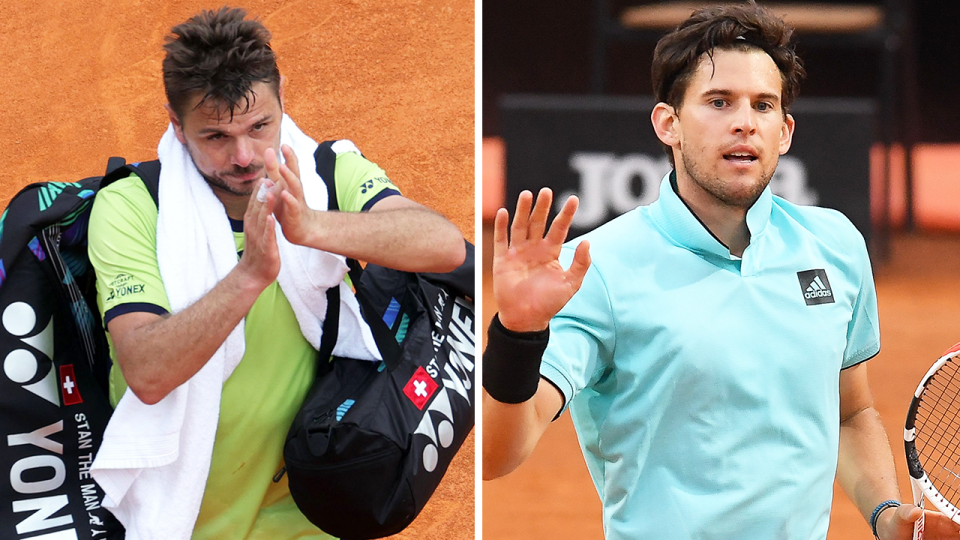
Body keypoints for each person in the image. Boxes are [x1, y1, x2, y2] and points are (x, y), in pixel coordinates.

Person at [482, 4, 960, 540]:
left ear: (784, 132)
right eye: (718, 102)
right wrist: (516, 336)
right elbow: (497, 456)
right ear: (669, 124)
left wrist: (885, 514)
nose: (744, 121)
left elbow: (850, 414)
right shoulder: (595, 268)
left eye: (763, 105)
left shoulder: (834, 245)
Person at [86, 6, 465, 540]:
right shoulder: (131, 206)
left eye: (260, 126)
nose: (244, 156)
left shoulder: (329, 171)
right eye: (215, 136)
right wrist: (248, 277)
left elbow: (444, 246)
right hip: (184, 521)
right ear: (176, 123)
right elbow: (146, 373)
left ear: (282, 94)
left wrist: (313, 227)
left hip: (309, 516)